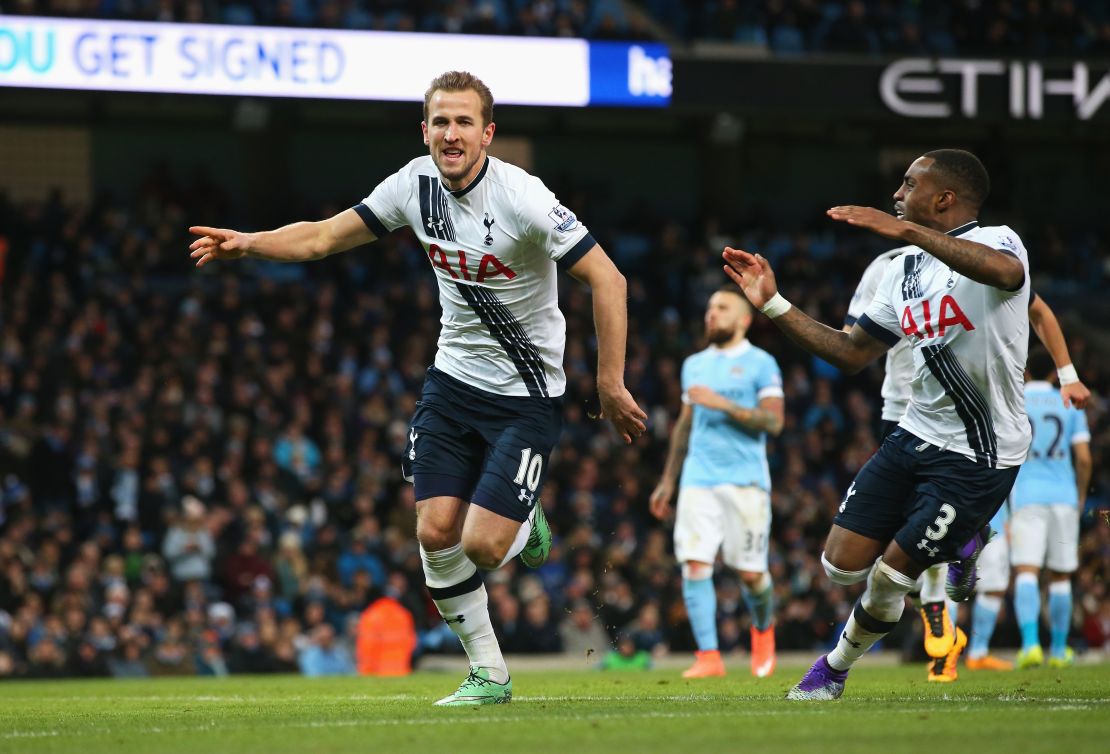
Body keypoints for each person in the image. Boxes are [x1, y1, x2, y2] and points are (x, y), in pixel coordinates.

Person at [188, 70, 646, 706]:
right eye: (440, 122)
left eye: (463, 122)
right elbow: (323, 235)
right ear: (424, 129)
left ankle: (523, 523)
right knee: (434, 534)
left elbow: (609, 279)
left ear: (487, 133)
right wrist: (250, 244)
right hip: (451, 386)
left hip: (528, 395)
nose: (450, 134)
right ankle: (489, 673)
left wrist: (610, 381)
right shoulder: (413, 184)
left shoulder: (524, 198)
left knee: (482, 546)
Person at [723, 149, 1031, 700]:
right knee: (838, 568)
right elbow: (850, 352)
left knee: (892, 575)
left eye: (909, 185)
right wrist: (773, 305)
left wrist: (904, 231)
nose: (896, 195)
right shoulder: (902, 271)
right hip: (914, 434)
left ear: (944, 199)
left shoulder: (1000, 241)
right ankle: (957, 540)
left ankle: (832, 671)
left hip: (980, 455)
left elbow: (1007, 274)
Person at [844, 253, 1090, 682]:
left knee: (923, 525)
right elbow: (852, 339)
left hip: (962, 417)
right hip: (901, 406)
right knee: (891, 540)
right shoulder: (884, 266)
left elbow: (1035, 307)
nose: (901, 199)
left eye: (910, 185)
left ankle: (939, 617)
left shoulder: (975, 257)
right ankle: (962, 548)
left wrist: (1067, 372)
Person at [649, 286, 784, 678]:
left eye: (722, 308)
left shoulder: (761, 363)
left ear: (744, 319)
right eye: (709, 308)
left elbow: (774, 422)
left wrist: (723, 404)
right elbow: (685, 424)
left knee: (751, 575)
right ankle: (708, 656)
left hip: (746, 481)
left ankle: (763, 629)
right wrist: (668, 481)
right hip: (698, 479)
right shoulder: (693, 364)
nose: (712, 314)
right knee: (694, 564)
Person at [1007, 347, 1092, 669]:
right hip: (1064, 497)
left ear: (1025, 372)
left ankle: (1030, 645)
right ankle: (1058, 650)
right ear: (1055, 374)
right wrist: (1080, 493)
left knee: (1027, 570)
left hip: (1027, 495)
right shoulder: (1068, 403)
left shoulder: (1015, 402)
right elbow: (1083, 458)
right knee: (1060, 575)